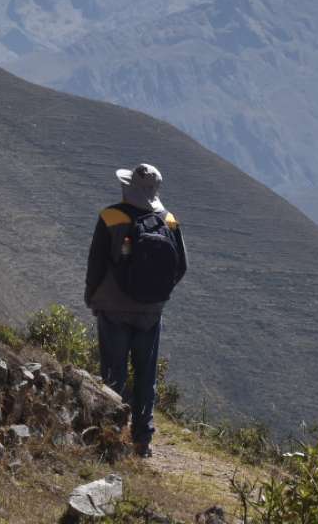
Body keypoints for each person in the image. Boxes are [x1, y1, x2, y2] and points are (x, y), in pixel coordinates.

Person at [85, 163, 188, 457]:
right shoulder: (169, 220)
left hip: (112, 308)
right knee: (146, 375)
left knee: (113, 373)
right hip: (151, 312)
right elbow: (181, 266)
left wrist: (94, 297)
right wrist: (158, 294)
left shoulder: (110, 216)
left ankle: (112, 433)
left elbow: (96, 264)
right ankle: (143, 440)